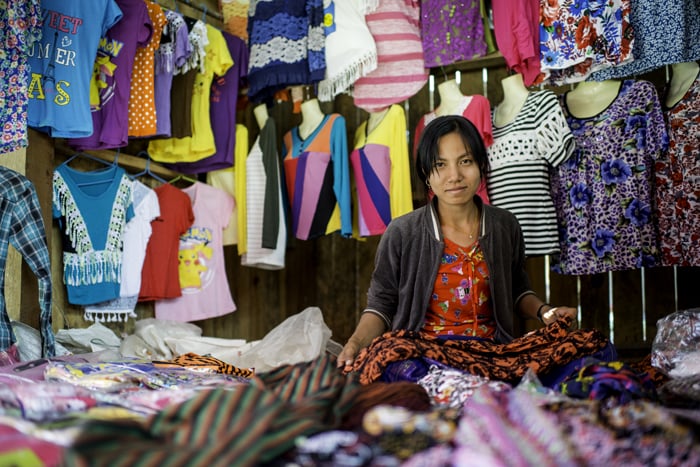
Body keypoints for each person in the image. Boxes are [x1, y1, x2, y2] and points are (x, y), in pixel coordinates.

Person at [337, 115, 578, 371]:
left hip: (492, 354)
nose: (455, 176)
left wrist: (545, 312)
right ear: (426, 174)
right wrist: (355, 343)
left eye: (465, 161)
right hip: (424, 357)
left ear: (481, 165)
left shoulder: (504, 226)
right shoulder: (402, 232)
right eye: (440, 164)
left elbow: (517, 290)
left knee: (583, 348)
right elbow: (381, 307)